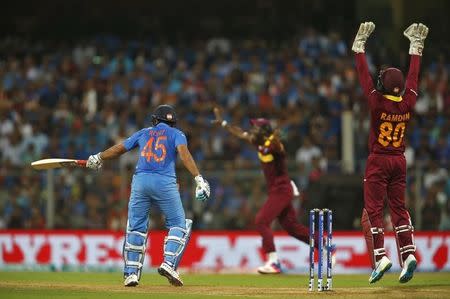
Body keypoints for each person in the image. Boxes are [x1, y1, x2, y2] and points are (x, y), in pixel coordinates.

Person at [86, 104, 210, 287]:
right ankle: (168, 263)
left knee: (135, 227)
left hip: (140, 182)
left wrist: (99, 157)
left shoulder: (144, 132)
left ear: (155, 120)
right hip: (165, 182)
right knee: (179, 224)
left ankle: (131, 275)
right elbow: (184, 154)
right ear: (172, 122)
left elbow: (120, 148)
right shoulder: (177, 134)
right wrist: (198, 178)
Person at [352, 22, 429, 283]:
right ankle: (408, 254)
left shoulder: (376, 103)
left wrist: (359, 48)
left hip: (378, 160)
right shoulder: (409, 102)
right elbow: (413, 78)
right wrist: (415, 48)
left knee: (374, 209)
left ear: (383, 86)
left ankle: (380, 256)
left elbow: (363, 76)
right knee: (399, 208)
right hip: (399, 161)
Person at [212, 107, 326, 274]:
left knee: (261, 220)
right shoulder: (258, 141)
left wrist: (276, 138)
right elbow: (239, 133)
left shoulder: (274, 144)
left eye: (256, 127)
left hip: (282, 189)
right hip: (276, 190)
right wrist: (223, 123)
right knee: (292, 228)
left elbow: (279, 147)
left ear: (264, 130)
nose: (252, 130)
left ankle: (274, 262)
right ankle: (324, 245)